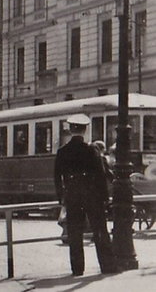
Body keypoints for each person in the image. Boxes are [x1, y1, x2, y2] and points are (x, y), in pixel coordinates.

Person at [54, 114, 118, 277]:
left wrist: (62, 197)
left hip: (73, 196)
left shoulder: (62, 151)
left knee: (75, 234)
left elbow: (56, 176)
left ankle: (77, 269)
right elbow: (101, 175)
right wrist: (104, 197)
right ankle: (107, 265)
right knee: (100, 231)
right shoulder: (92, 149)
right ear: (85, 130)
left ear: (70, 130)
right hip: (92, 195)